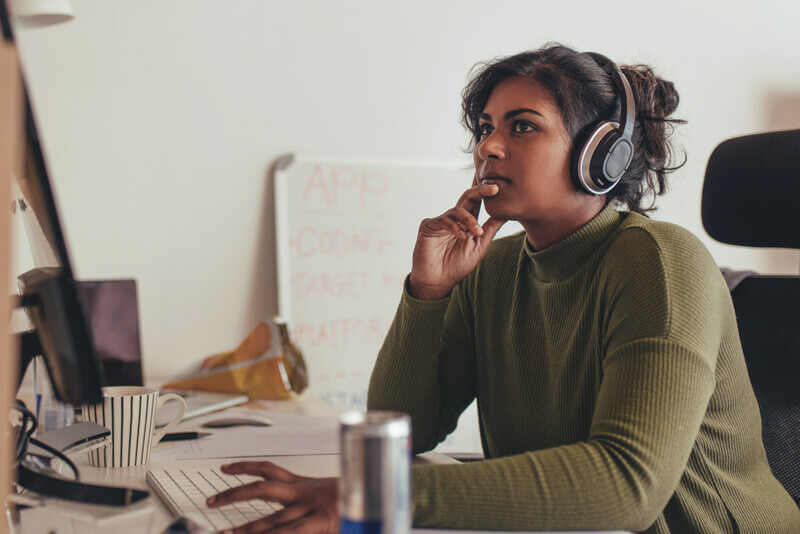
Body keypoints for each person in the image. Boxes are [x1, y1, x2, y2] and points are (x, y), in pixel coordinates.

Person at [206, 44, 800, 533]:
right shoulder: (494, 267)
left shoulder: (660, 262)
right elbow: (403, 428)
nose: (489, 147)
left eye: (522, 127)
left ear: (601, 156)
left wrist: (381, 496)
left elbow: (628, 485)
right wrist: (428, 293)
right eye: (486, 128)